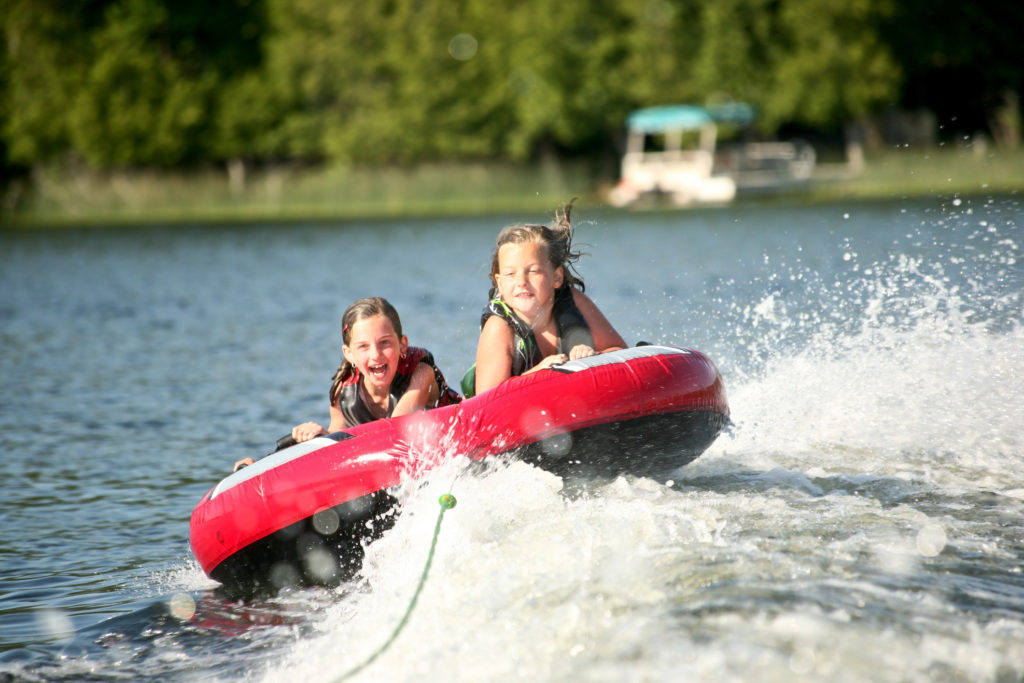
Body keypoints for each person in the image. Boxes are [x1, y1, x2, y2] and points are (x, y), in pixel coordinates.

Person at [234, 297, 460, 471]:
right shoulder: (343, 394)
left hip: (456, 454)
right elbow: (337, 444)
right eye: (363, 346)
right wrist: (319, 437)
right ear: (348, 353)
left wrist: (334, 439)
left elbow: (395, 430)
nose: (376, 355)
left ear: (403, 345)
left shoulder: (421, 373)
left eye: (385, 343)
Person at [465, 199, 626, 398]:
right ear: (499, 283)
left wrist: (591, 358)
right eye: (510, 274)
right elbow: (486, 400)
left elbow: (620, 351)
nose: (521, 282)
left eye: (533, 271)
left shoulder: (574, 302)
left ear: (557, 277)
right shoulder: (499, 327)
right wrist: (538, 374)